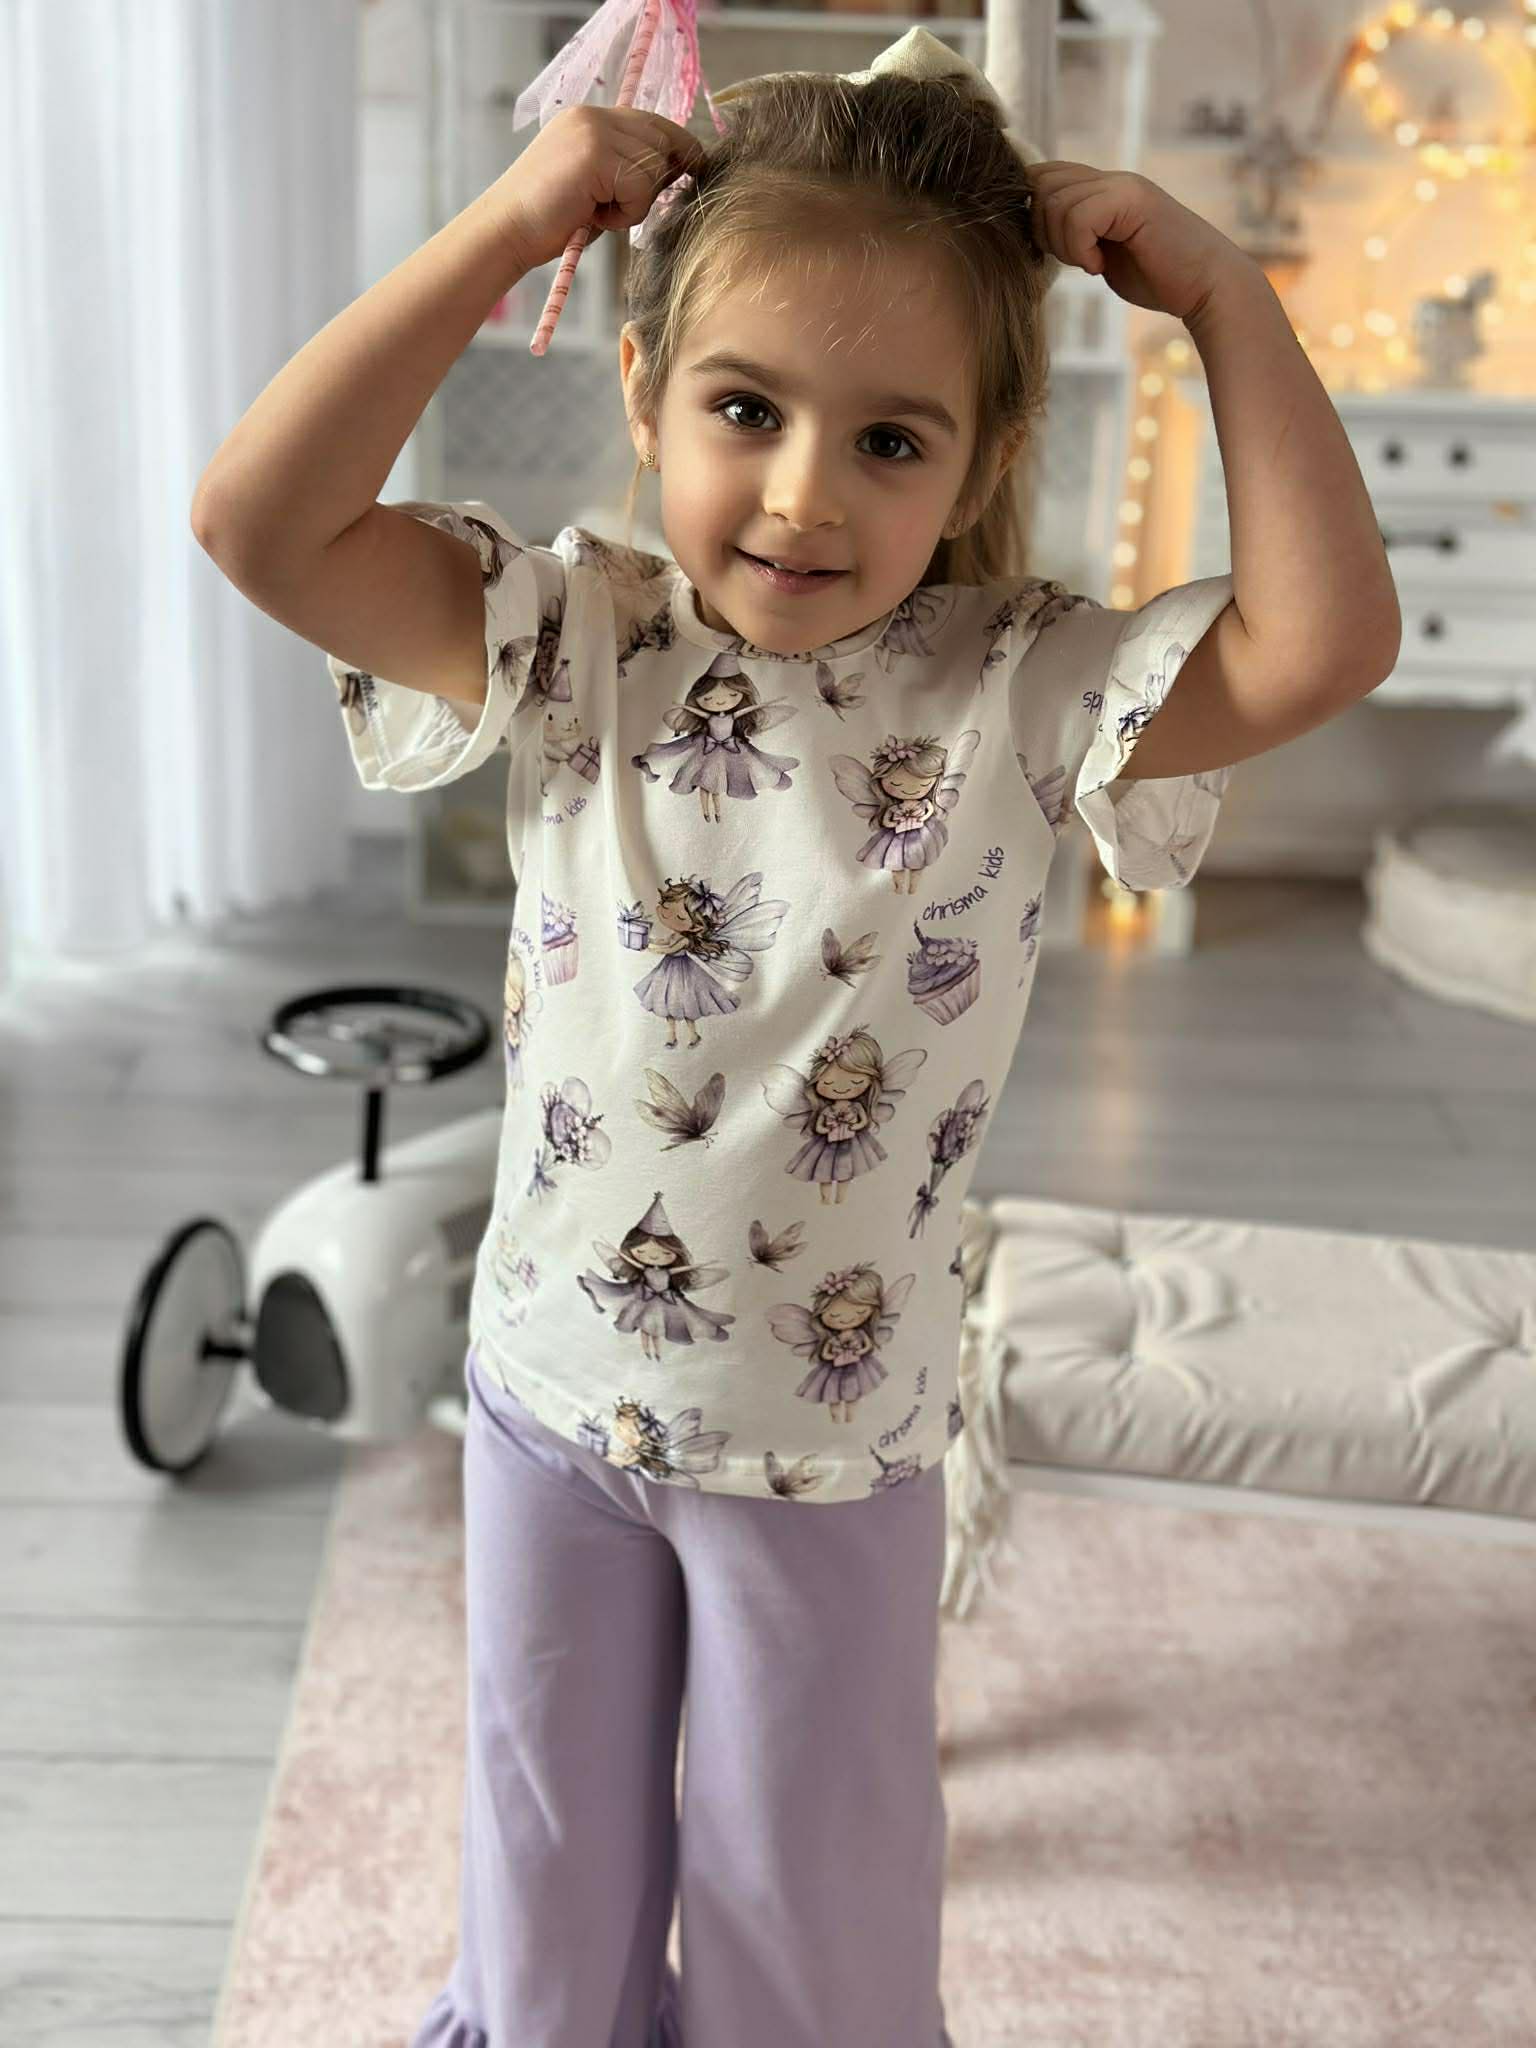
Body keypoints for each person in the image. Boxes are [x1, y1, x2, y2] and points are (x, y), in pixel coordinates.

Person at [189, 21, 1401, 2044]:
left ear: (982, 463)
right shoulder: (566, 634)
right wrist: (505, 225)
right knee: (543, 1933)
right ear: (643, 388)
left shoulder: (1022, 689)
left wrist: (1222, 294)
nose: (803, 492)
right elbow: (258, 519)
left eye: (892, 441)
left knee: (810, 1949)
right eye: (744, 407)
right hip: (552, 1401)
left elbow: (1325, 641)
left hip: (830, 1455)